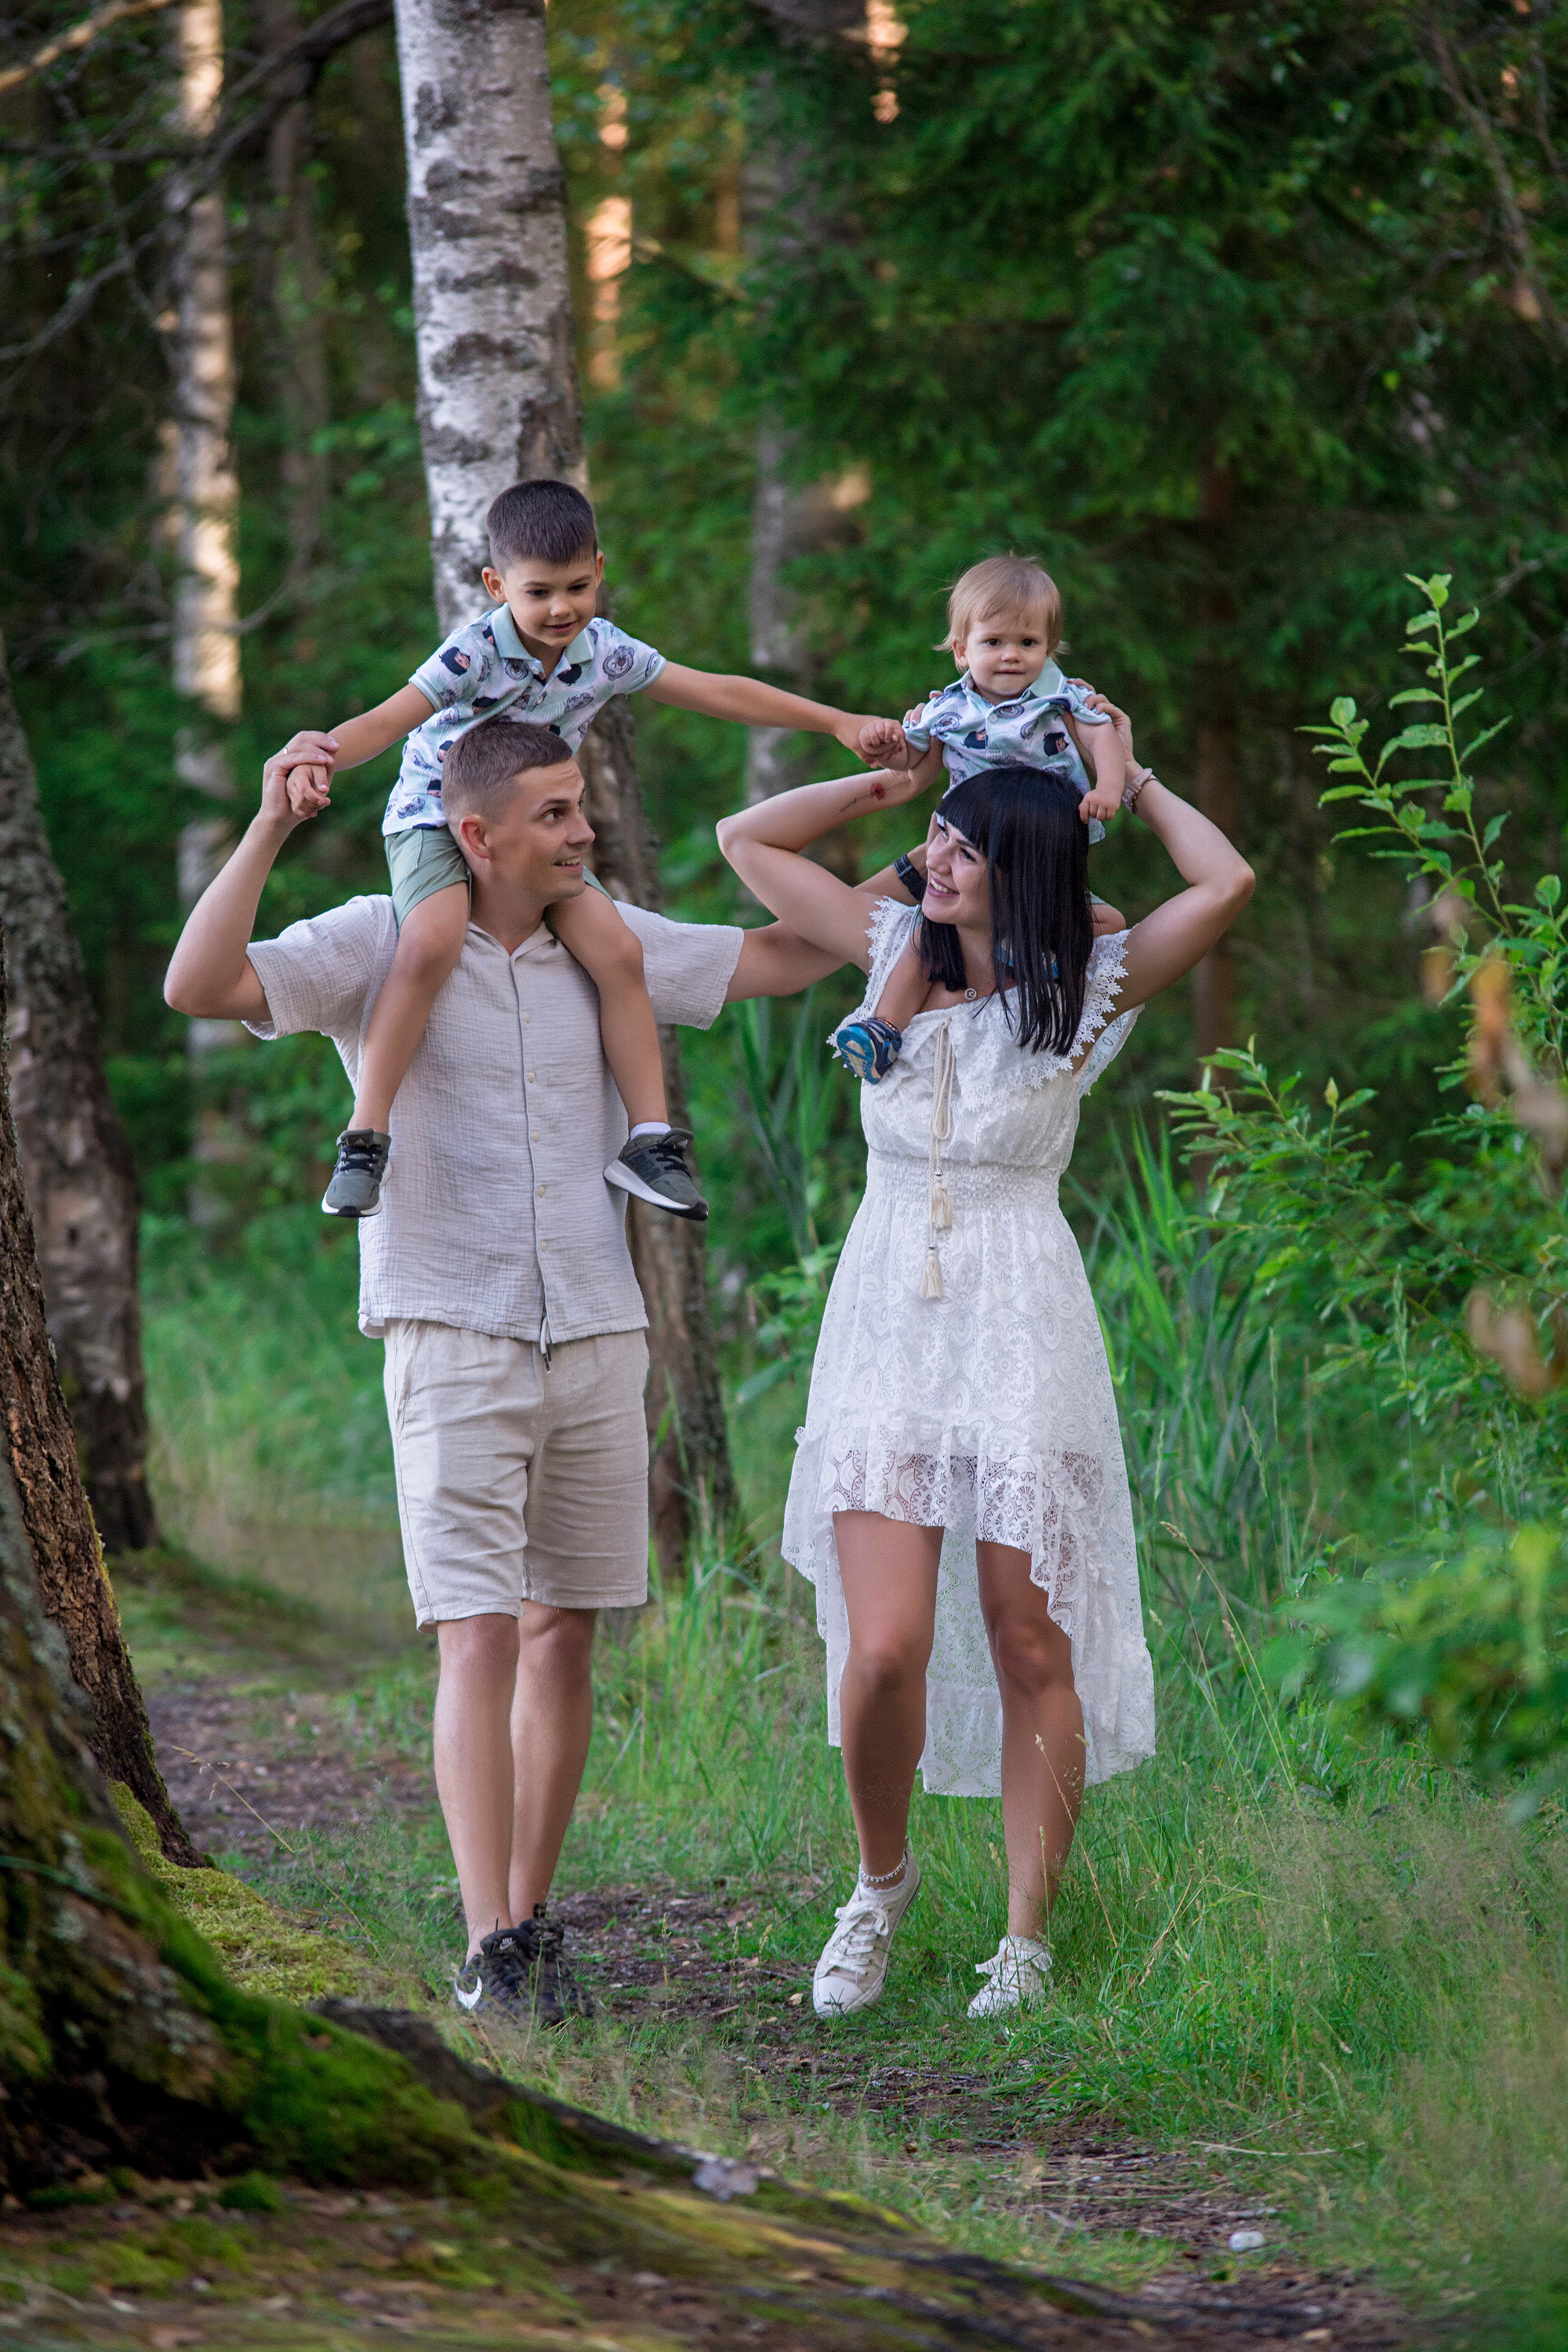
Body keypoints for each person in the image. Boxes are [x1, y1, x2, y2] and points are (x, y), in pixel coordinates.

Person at [164, 717, 848, 2028]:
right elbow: (201, 987)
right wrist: (269, 825)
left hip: (596, 1330)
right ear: (474, 835)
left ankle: (531, 1921)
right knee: (475, 1636)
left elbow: (781, 954)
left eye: (580, 806)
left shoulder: (608, 937)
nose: (582, 831)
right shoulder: (382, 937)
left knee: (565, 1637)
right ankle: (487, 1941)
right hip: (449, 1325)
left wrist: (937, 877)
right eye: (553, 814)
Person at [715, 710, 1253, 2020]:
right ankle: (879, 1886)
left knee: (1029, 1639)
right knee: (884, 1646)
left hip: (1022, 1319)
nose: (934, 860)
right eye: (934, 842)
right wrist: (893, 788)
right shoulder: (888, 943)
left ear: (1028, 870)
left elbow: (1225, 884)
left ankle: (1025, 1942)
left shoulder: (1088, 990)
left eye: (962, 848)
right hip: (889, 1319)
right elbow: (745, 839)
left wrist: (1124, 779)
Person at [276, 478, 899, 1224]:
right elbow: (386, 722)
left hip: (534, 835)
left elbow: (721, 692)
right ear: (495, 584)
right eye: (538, 592)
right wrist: (319, 755)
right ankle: (366, 1135)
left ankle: (649, 1139)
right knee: (431, 943)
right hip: (439, 817)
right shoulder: (473, 652)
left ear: (600, 571)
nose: (561, 608)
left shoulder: (604, 653)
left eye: (578, 587)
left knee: (619, 950)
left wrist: (835, 722)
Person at [837, 555, 1126, 1085]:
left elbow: (1101, 735)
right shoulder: (945, 710)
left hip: (1038, 852)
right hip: (972, 850)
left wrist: (1109, 786)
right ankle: (881, 1027)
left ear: (1049, 648)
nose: (1012, 656)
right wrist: (889, 748)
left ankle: (1044, 961)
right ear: (960, 650)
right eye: (994, 642)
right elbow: (912, 761)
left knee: (1106, 923)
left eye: (1029, 643)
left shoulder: (1063, 695)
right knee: (928, 937)